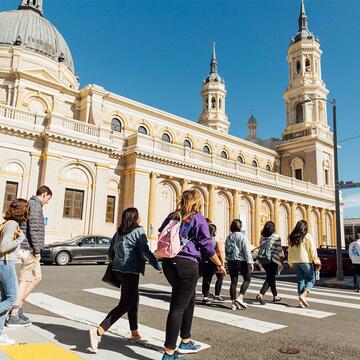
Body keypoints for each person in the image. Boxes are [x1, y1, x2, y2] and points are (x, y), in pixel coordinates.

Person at [159, 190, 226, 360]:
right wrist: (219, 264)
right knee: (177, 307)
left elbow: (161, 231)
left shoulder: (172, 215)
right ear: (198, 202)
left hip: (169, 262)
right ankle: (169, 353)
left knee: (189, 300)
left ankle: (185, 340)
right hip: (187, 264)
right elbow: (206, 245)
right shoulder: (197, 218)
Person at [88, 207, 161, 353]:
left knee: (133, 301)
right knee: (125, 304)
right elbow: (145, 250)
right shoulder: (138, 231)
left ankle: (134, 333)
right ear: (134, 218)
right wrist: (157, 265)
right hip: (131, 271)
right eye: (138, 215)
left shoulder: (118, 232)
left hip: (118, 270)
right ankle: (98, 333)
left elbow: (110, 252)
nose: (140, 217)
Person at [7, 186, 52, 327]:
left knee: (36, 278)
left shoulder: (33, 205)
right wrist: (37, 251)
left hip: (29, 248)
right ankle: (13, 313)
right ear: (44, 194)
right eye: (48, 199)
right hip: (29, 249)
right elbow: (34, 229)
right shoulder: (35, 206)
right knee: (26, 280)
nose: (47, 202)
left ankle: (17, 307)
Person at [0, 199, 28, 344]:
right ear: (22, 210)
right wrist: (21, 239)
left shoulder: (5, 223)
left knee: (5, 298)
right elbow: (3, 247)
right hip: (5, 264)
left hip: (3, 263)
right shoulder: (12, 224)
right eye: (26, 208)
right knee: (11, 299)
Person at [288, 220, 321, 308]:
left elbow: (289, 252)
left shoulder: (292, 237)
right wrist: (316, 260)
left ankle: (300, 302)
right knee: (311, 279)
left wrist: (290, 263)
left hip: (295, 261)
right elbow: (312, 250)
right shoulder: (308, 236)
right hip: (305, 261)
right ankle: (303, 295)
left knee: (300, 280)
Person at [225, 219, 253, 310]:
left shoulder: (228, 237)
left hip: (231, 261)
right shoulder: (242, 236)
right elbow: (247, 250)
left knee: (233, 281)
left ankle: (233, 303)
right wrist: (250, 262)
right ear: (240, 227)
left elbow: (227, 250)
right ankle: (240, 297)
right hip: (241, 261)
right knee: (247, 279)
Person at [255, 221, 284, 305]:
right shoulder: (276, 237)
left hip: (264, 260)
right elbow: (279, 250)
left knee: (271, 277)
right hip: (273, 260)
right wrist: (281, 261)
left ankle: (275, 296)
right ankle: (260, 295)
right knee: (269, 278)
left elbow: (260, 248)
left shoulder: (262, 238)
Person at [201, 223, 225, 304]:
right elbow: (220, 251)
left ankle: (205, 296)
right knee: (220, 277)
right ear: (214, 231)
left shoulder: (204, 238)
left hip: (205, 261)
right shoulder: (216, 239)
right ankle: (217, 295)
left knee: (206, 279)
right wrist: (222, 263)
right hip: (214, 261)